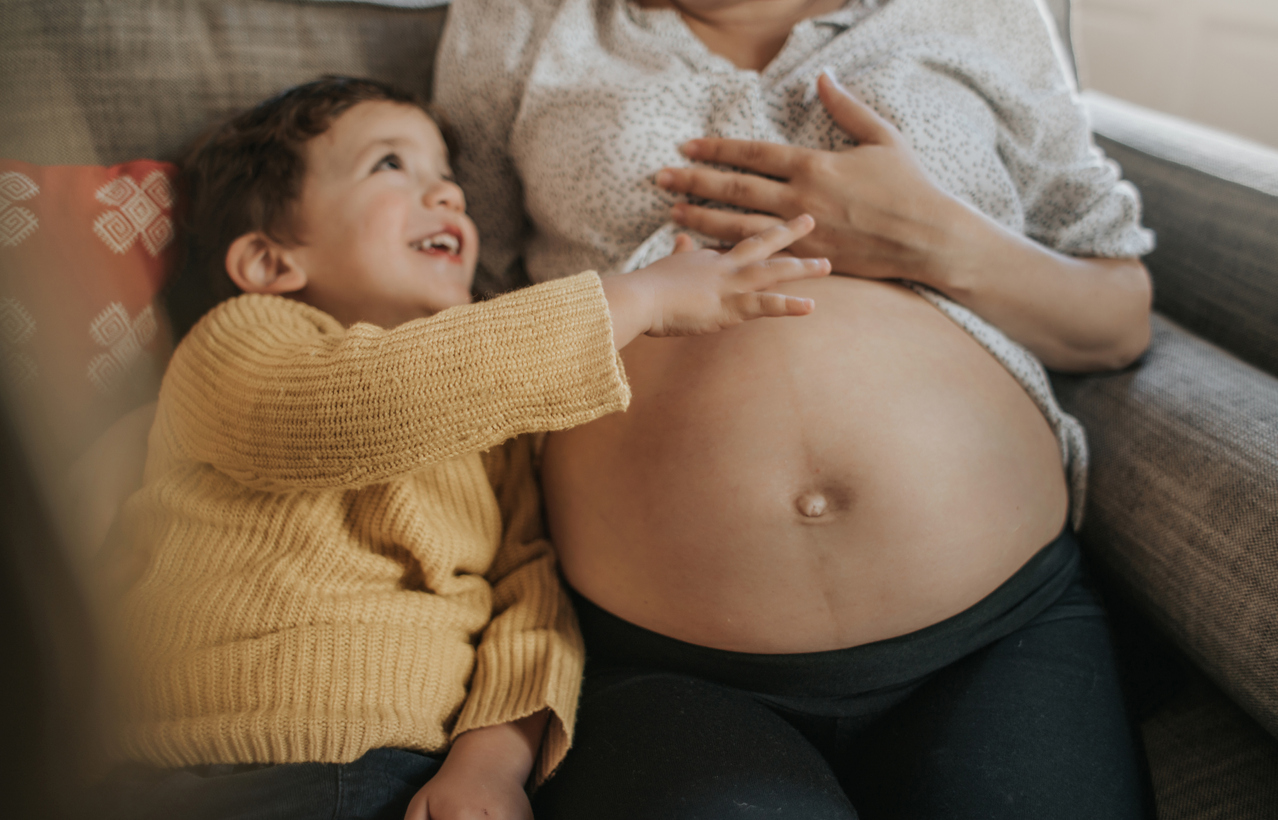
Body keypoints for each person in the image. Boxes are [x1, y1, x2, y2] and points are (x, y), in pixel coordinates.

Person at [435, 0, 1156, 816]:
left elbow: (1116, 318)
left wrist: (936, 239)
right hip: (657, 666)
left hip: (1002, 629)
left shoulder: (978, 11)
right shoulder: (521, 20)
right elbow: (451, 307)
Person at [101, 75, 829, 820]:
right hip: (205, 772)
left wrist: (489, 770)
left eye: (449, 179)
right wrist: (633, 298)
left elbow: (529, 608)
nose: (448, 196)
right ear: (270, 264)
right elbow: (357, 406)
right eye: (391, 165)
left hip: (407, 779)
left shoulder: (504, 426)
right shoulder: (241, 341)